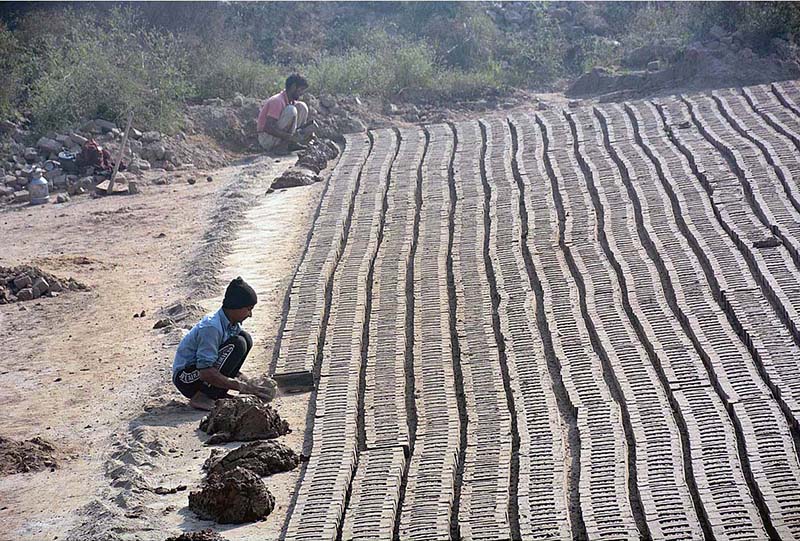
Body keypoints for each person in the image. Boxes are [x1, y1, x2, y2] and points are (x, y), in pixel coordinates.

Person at [172, 277, 275, 410]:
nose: (250, 315)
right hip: (185, 378)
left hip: (201, 371)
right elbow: (205, 371)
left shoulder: (232, 325)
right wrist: (241, 386)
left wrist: (248, 382)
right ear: (235, 307)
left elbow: (225, 361)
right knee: (238, 344)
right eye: (248, 309)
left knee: (245, 338)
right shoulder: (212, 328)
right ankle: (202, 397)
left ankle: (216, 394)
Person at [257, 73, 313, 153]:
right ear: (293, 87)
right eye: (301, 90)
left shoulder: (290, 101)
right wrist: (290, 137)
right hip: (267, 139)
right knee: (291, 110)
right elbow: (268, 127)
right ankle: (280, 146)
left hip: (279, 137)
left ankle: (291, 144)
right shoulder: (277, 101)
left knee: (302, 106)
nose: (302, 93)